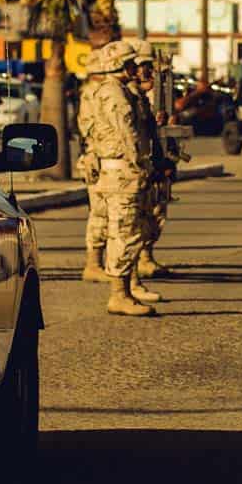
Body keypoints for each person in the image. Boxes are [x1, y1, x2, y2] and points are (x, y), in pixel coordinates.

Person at [75, 40, 162, 316]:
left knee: (130, 229)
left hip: (123, 171)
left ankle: (127, 288)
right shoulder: (113, 93)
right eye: (132, 63)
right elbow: (127, 134)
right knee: (123, 231)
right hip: (122, 172)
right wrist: (140, 166)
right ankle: (119, 294)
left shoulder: (120, 90)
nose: (136, 68)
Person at [128, 39, 178, 278]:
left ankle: (147, 256)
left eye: (148, 65)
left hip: (158, 159)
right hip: (138, 162)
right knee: (137, 216)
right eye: (141, 64)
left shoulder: (157, 90)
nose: (145, 70)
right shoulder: (128, 94)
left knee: (157, 212)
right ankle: (134, 264)